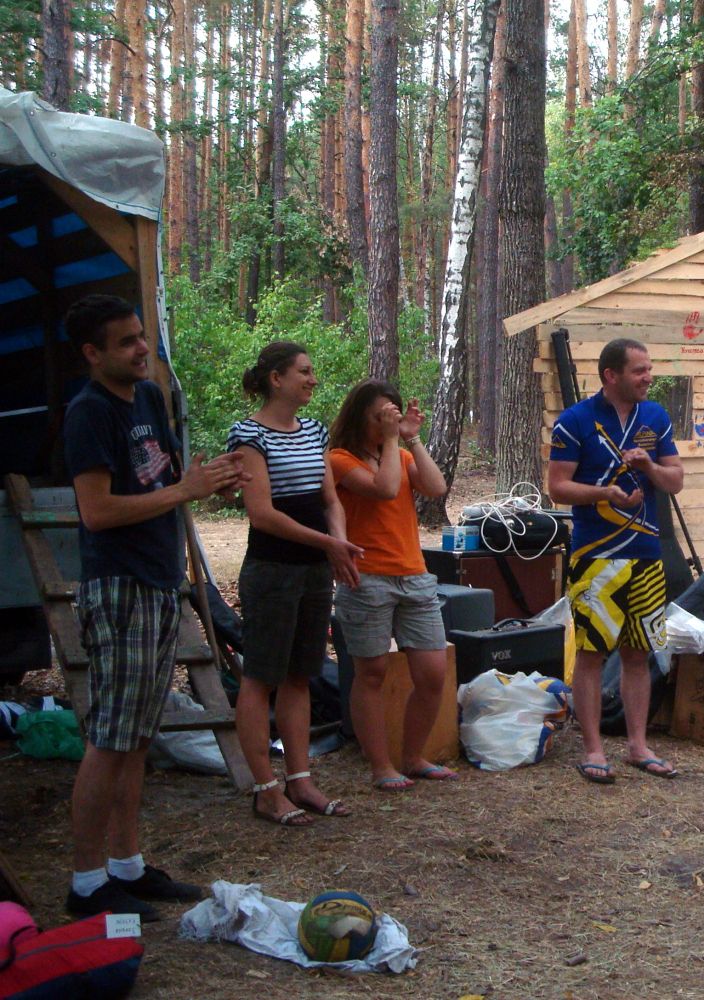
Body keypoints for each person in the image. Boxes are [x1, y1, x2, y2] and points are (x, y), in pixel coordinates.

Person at [62, 294, 246, 920]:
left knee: (138, 736)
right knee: (110, 738)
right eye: (126, 342)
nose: (143, 349)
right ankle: (86, 884)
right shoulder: (89, 413)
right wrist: (184, 489)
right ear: (93, 353)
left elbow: (166, 482)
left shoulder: (147, 398)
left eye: (141, 336)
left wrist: (211, 479)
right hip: (119, 587)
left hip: (160, 583)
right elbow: (96, 511)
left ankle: (127, 866)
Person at [229, 342, 363, 826]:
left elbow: (330, 500)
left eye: (312, 371)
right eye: (304, 372)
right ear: (276, 379)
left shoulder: (314, 430)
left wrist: (338, 543)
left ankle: (300, 780)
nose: (312, 379)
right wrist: (328, 544)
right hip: (272, 570)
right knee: (261, 676)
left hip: (313, 571)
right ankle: (266, 789)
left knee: (299, 675)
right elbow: (262, 514)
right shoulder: (248, 435)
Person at [547, 338, 684, 784]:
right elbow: (558, 487)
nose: (648, 377)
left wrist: (649, 468)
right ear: (611, 375)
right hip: (595, 557)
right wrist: (604, 493)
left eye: (649, 369)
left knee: (638, 653)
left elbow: (675, 480)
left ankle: (638, 746)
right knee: (591, 654)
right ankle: (593, 749)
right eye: (639, 370)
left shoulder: (655, 417)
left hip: (646, 556)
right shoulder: (575, 421)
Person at [328, 380, 453, 789]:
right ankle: (381, 766)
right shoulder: (340, 459)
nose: (388, 422)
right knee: (372, 674)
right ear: (360, 416)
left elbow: (436, 488)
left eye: (393, 415)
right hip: (367, 578)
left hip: (413, 574)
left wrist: (411, 439)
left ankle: (414, 757)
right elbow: (382, 490)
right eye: (381, 416)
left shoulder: (400, 453)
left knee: (433, 674)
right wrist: (390, 439)